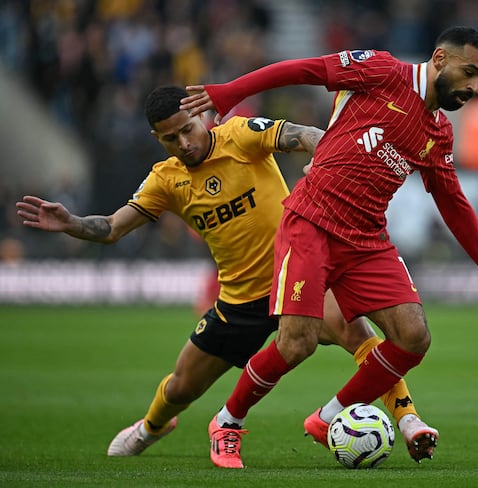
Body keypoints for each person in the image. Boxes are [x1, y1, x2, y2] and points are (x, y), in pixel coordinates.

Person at [15, 85, 437, 469]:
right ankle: (150, 427)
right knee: (182, 387)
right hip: (240, 301)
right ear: (157, 139)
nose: (184, 142)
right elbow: (111, 227)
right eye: (170, 138)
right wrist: (71, 223)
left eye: (187, 129)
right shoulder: (166, 180)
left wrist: (323, 157)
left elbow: (303, 133)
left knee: (361, 339)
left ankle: (408, 421)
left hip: (299, 274)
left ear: (202, 117)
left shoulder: (240, 135)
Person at [180, 26, 478, 468]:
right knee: (297, 344)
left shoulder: (438, 133)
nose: (474, 88)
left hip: (366, 239)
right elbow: (305, 69)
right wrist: (227, 93)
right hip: (312, 221)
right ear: (440, 60)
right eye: (468, 73)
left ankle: (328, 418)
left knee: (413, 337)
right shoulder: (382, 71)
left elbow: (456, 207)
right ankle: (227, 422)